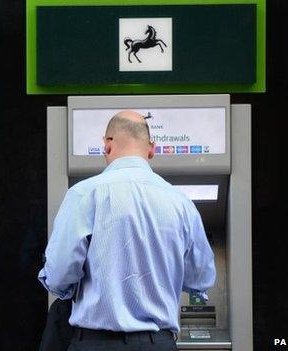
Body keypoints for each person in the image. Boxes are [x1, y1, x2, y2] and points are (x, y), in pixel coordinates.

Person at [38, 111, 215, 351]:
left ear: (107, 145)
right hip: (158, 344)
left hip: (94, 343)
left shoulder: (83, 194)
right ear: (152, 149)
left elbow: (59, 274)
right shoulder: (181, 202)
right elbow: (200, 278)